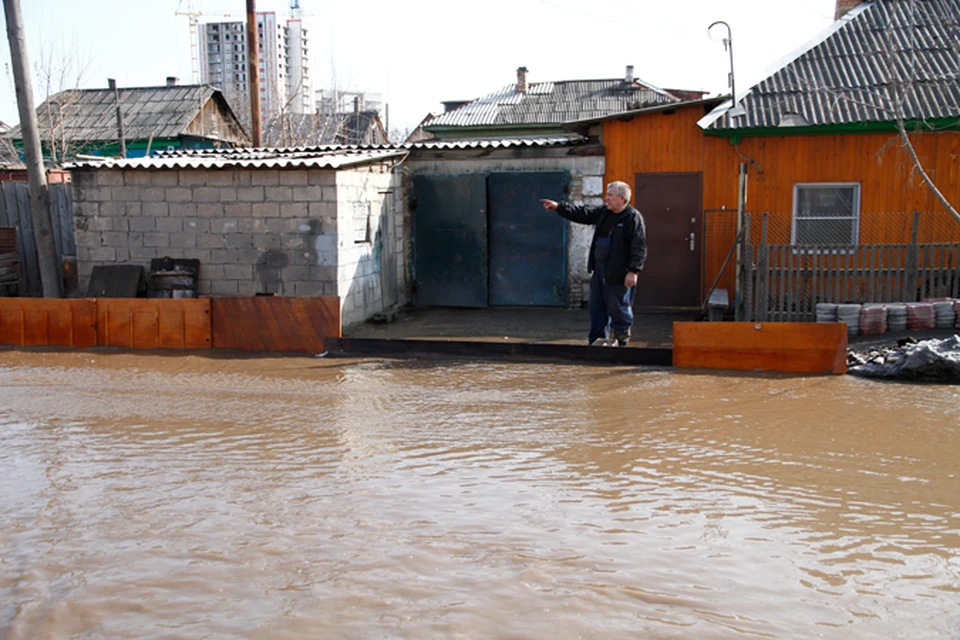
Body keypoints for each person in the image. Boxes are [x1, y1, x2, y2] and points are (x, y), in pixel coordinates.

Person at [541, 181, 647, 346]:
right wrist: (558, 207)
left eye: (610, 195)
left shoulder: (632, 218)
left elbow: (639, 247)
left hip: (620, 272)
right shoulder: (604, 212)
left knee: (618, 306)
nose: (607, 199)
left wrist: (633, 271)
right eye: (607, 195)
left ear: (622, 198)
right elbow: (583, 213)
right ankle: (597, 340)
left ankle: (622, 340)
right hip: (599, 269)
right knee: (597, 306)